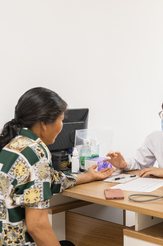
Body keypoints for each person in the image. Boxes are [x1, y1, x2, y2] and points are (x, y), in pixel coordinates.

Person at [0, 87, 114, 246]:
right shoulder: (36, 153)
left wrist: (88, 176)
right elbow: (37, 225)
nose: (62, 126)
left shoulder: (14, 145)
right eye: (61, 120)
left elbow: (49, 179)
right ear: (44, 123)